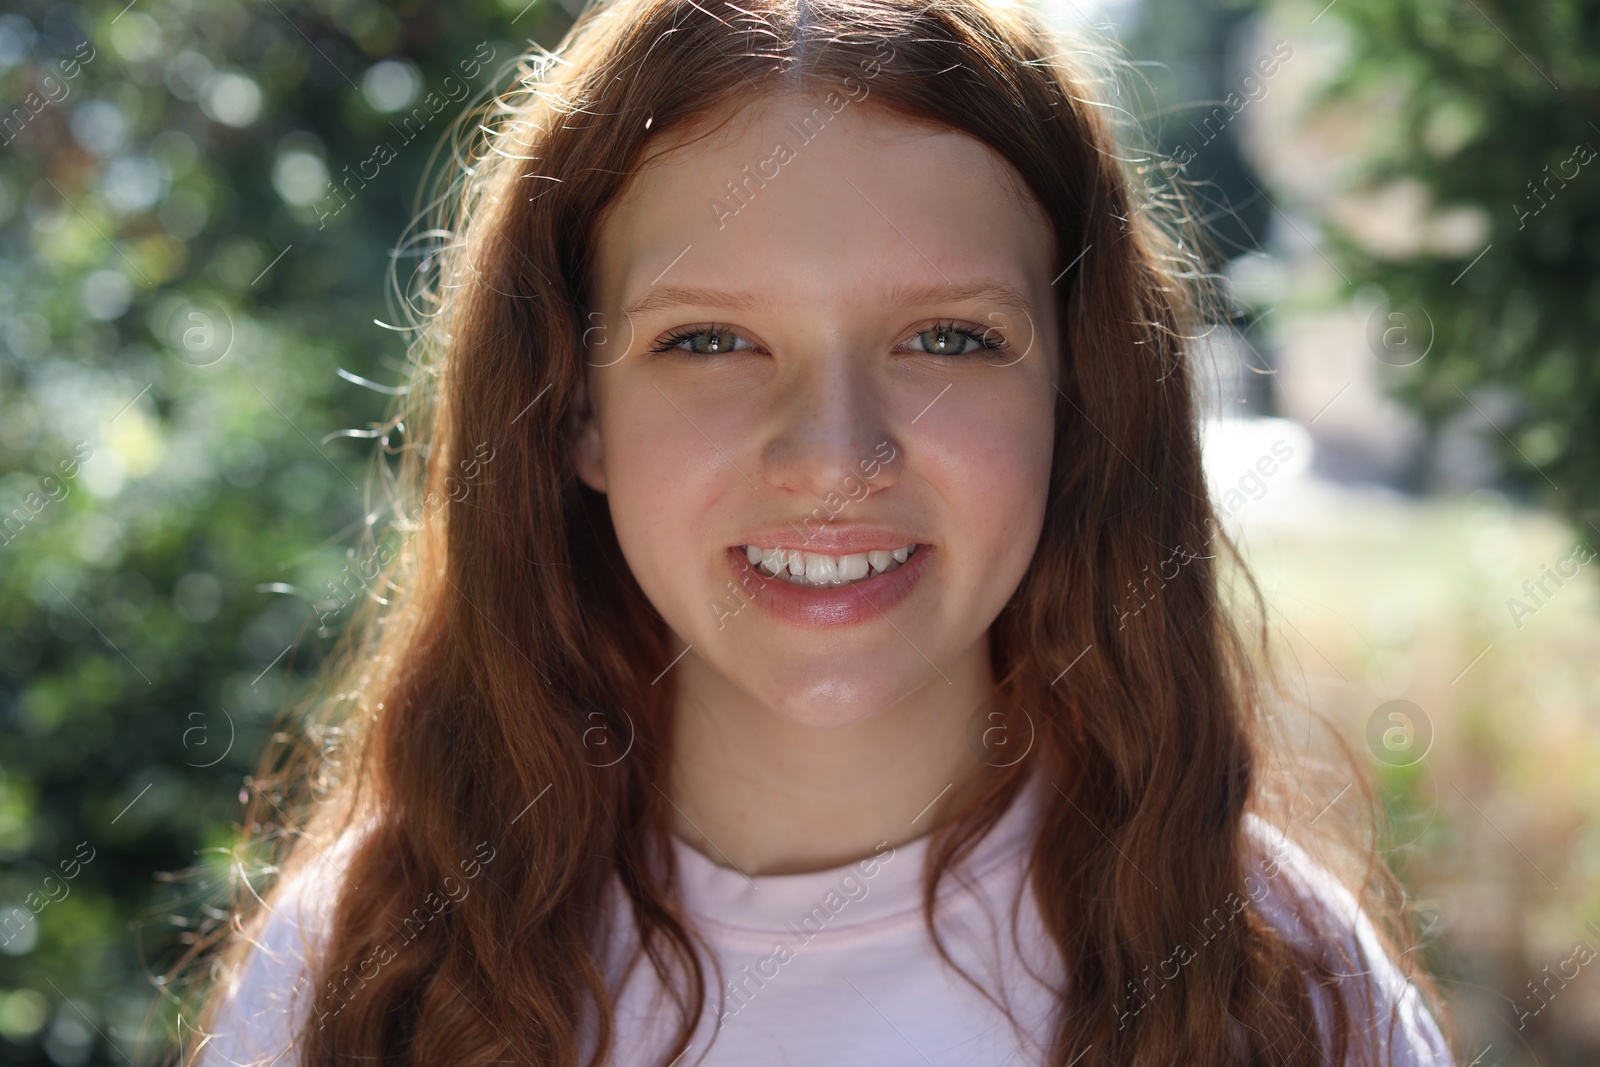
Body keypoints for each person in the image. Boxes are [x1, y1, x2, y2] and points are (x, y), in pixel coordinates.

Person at [173, 0, 1458, 1064]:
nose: (836, 456)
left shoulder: (1287, 992)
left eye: (947, 337)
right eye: (710, 340)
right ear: (575, 411)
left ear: (1079, 396)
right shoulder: (364, 973)